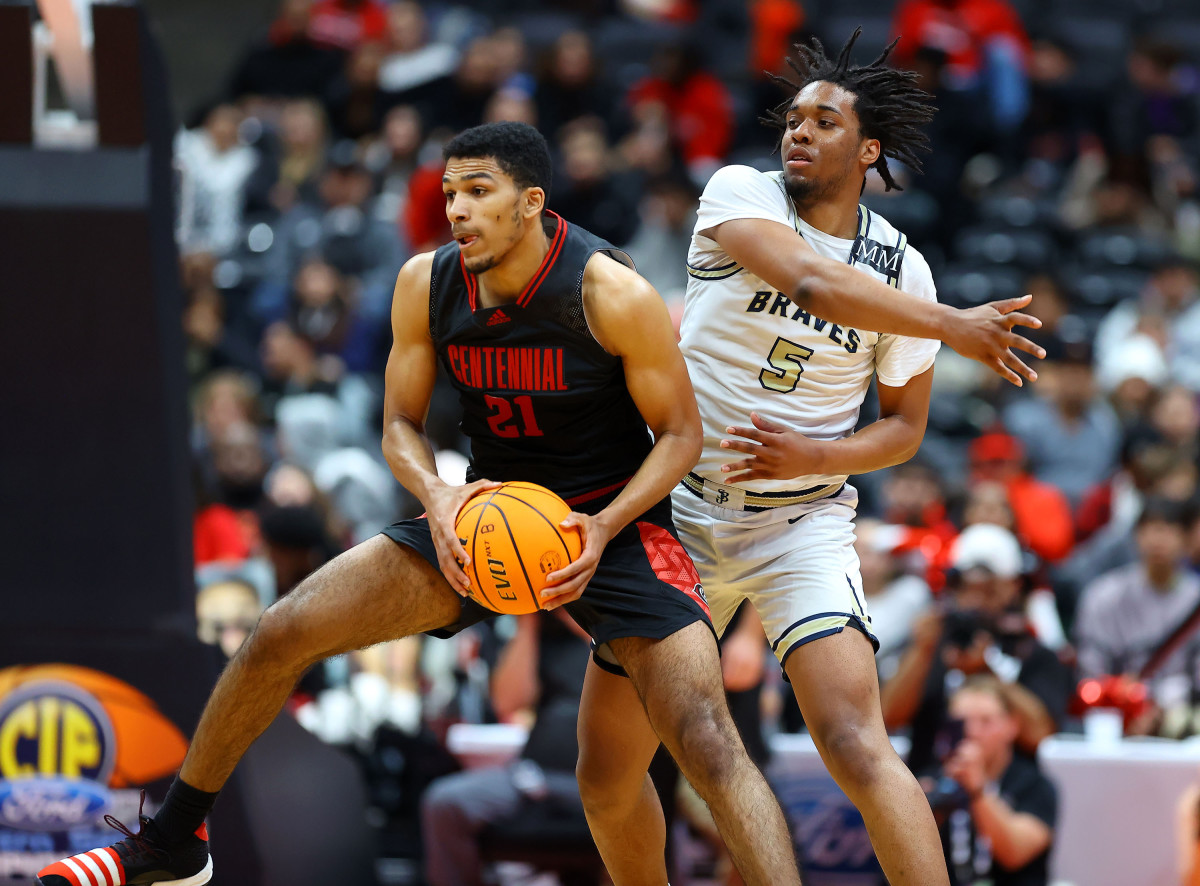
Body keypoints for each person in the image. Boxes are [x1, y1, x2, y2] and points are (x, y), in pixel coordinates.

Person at [36, 121, 802, 886]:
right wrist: (436, 494)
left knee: (702, 741)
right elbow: (398, 425)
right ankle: (172, 842)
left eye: (478, 192)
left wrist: (602, 527)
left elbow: (679, 435)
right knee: (279, 632)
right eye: (449, 194)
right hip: (485, 521)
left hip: (612, 526)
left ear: (531, 202)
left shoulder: (609, 291)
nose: (457, 211)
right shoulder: (425, 283)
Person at [668, 29, 1044, 886]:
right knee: (613, 759)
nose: (798, 131)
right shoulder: (741, 193)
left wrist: (817, 449)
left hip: (799, 522)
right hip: (679, 509)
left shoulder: (903, 270)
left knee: (854, 741)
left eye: (825, 121)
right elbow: (810, 284)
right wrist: (957, 324)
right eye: (793, 118)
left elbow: (905, 431)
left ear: (869, 149)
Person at [421, 610, 591, 886]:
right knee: (444, 803)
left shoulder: (617, 618)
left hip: (598, 780)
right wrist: (528, 622)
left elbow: (627, 670)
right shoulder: (546, 634)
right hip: (533, 774)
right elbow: (506, 701)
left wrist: (582, 618)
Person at [933, 676, 1057, 886]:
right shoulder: (934, 782)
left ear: (1012, 725)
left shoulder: (1035, 785)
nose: (972, 732)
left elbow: (1014, 853)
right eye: (961, 722)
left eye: (986, 721)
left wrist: (978, 789)